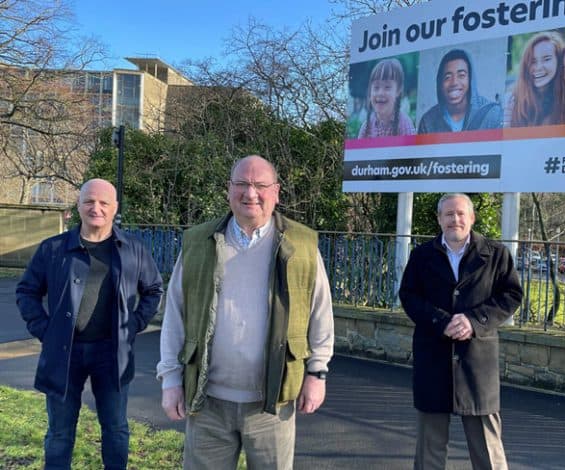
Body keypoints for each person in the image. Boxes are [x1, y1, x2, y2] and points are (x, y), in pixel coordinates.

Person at [157, 155, 334, 469]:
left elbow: (321, 311)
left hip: (273, 406)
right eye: (242, 184)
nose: (250, 193)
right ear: (229, 190)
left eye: (260, 185)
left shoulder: (302, 244)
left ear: (276, 192)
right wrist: (171, 379)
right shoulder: (198, 242)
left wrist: (317, 373)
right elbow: (175, 314)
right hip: (207, 402)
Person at [16, 178, 163, 470]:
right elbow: (26, 291)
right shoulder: (53, 249)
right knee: (59, 433)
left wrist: (132, 326)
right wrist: (44, 329)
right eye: (89, 201)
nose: (96, 208)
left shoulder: (132, 249)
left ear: (115, 208)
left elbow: (154, 290)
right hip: (63, 354)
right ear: (79, 205)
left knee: (116, 429)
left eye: (103, 202)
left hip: (112, 355)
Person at [399, 193, 523, 470]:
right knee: (429, 449)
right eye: (448, 214)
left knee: (488, 449)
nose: (455, 219)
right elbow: (409, 296)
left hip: (477, 360)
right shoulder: (421, 256)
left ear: (471, 218)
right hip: (433, 357)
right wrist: (441, 321)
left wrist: (474, 321)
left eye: (460, 214)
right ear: (439, 219)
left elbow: (511, 295)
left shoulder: (496, 254)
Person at [418, 49, 502, 133]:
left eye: (461, 75)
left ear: (470, 79)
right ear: (440, 83)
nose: (454, 82)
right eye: (447, 77)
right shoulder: (427, 122)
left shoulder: (492, 114)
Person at [507, 31, 565, 127]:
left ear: (559, 61)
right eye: (533, 61)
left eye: (547, 59)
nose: (538, 67)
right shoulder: (512, 100)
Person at [358, 58, 416, 138]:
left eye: (387, 87)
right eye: (376, 87)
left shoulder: (404, 124)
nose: (380, 93)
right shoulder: (366, 127)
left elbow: (411, 149)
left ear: (398, 91)